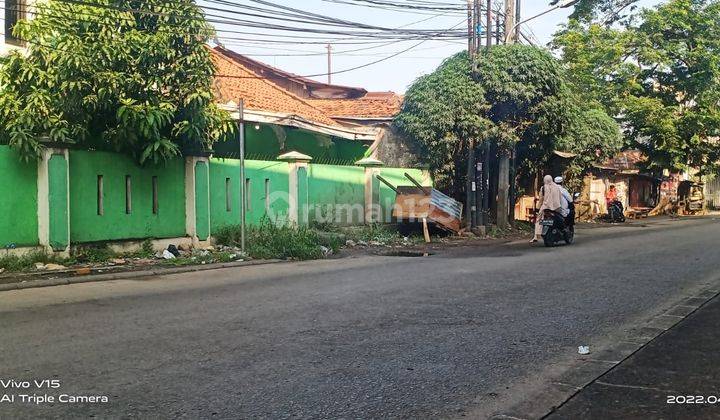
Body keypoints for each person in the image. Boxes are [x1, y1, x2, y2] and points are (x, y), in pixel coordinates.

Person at [531, 175, 563, 243]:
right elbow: (560, 197)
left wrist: (537, 208)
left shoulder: (543, 188)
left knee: (538, 220)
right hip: (556, 208)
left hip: (546, 207)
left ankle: (536, 236)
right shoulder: (557, 187)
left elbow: (541, 200)